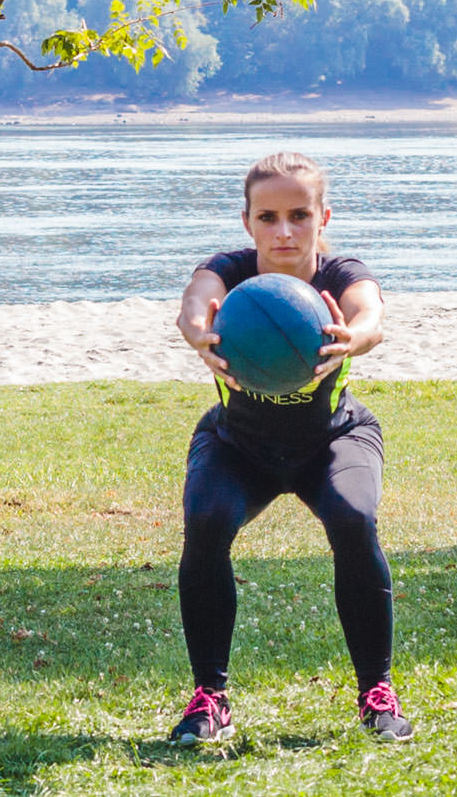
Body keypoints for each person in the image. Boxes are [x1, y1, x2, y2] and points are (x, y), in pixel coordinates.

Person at [169, 151, 413, 745]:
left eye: (299, 216)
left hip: (331, 440)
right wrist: (200, 330)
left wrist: (352, 337)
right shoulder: (228, 273)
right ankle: (210, 699)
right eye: (269, 217)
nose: (284, 231)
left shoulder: (340, 274)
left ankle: (377, 695)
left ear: (323, 218)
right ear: (248, 221)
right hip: (237, 444)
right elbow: (194, 303)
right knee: (206, 520)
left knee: (354, 519)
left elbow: (371, 313)